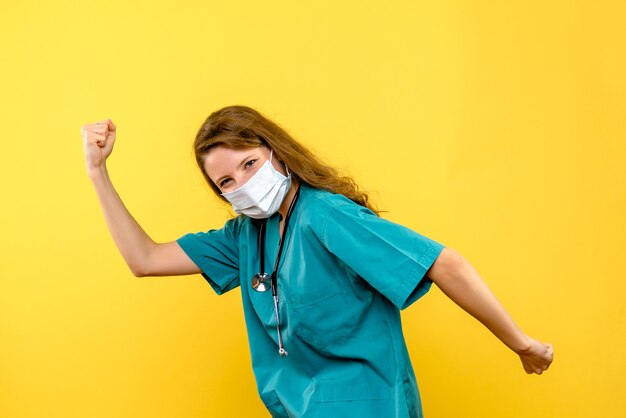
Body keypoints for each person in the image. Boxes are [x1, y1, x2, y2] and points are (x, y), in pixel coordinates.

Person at [80, 105, 554, 418]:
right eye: (225, 182)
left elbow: (443, 263)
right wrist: (97, 172)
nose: (241, 184)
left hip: (369, 406)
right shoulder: (246, 236)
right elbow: (144, 258)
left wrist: (521, 343)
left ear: (276, 153)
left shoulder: (325, 216)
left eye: (249, 164)